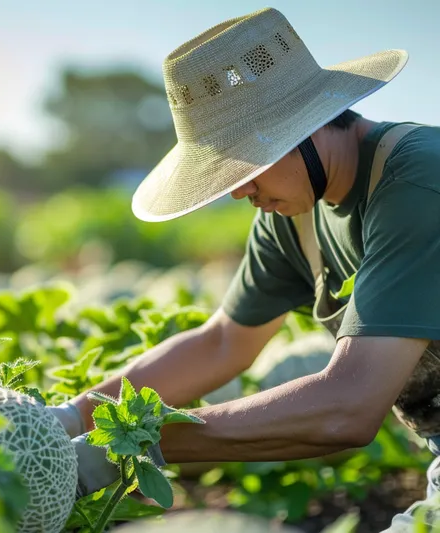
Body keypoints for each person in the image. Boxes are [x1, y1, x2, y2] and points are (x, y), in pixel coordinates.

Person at [47, 7, 440, 531]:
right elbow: (223, 342)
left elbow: (349, 405)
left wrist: (139, 446)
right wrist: (74, 417)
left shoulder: (418, 180)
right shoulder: (295, 212)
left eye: (247, 163)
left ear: (310, 124)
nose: (238, 190)